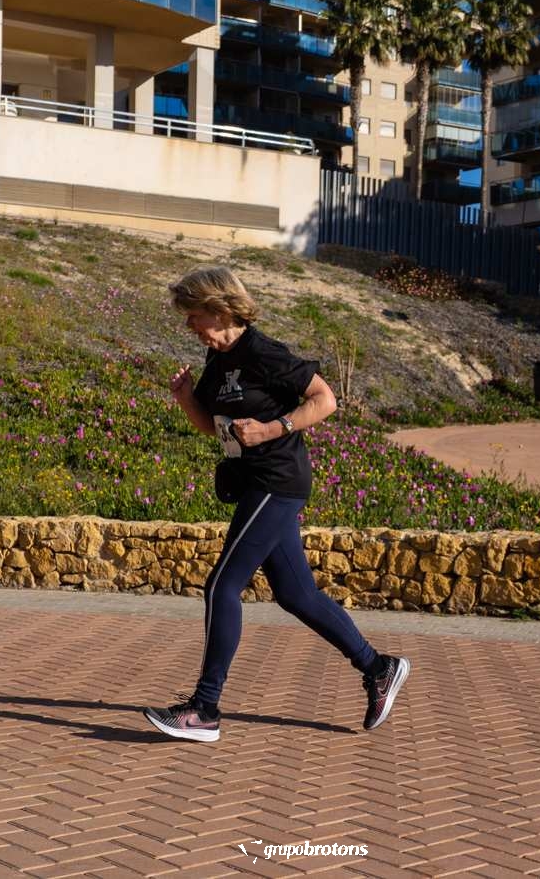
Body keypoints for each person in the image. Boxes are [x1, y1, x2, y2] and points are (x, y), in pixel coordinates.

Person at [142, 265, 410, 742]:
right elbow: (214, 427)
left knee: (222, 586)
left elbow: (325, 399)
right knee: (295, 594)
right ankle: (378, 667)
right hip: (255, 483)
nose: (189, 324)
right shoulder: (217, 359)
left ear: (219, 308)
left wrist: (272, 428)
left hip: (277, 480)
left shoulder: (263, 353)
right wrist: (185, 398)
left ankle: (205, 710)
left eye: (194, 314)